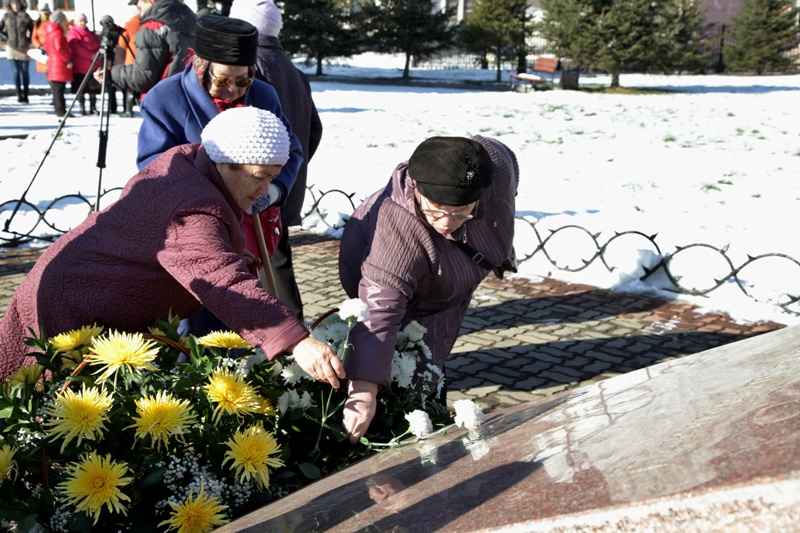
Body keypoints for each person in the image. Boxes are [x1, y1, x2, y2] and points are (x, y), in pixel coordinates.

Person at [0, 106, 345, 389]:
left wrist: (228, 250)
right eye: (259, 176)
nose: (265, 191)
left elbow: (167, 243)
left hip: (71, 282)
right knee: (50, 404)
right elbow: (222, 280)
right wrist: (296, 341)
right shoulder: (193, 208)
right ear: (225, 161)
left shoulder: (188, 159)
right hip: (72, 307)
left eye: (273, 177)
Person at [338, 136, 519, 442]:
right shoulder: (398, 226)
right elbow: (380, 310)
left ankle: (428, 408)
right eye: (436, 210)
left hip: (448, 286)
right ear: (417, 190)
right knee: (408, 370)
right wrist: (363, 391)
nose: (447, 223)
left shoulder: (494, 167)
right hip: (392, 290)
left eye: (460, 211)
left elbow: (495, 154)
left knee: (432, 365)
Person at [137, 14, 303, 336]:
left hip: (252, 227)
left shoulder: (263, 95)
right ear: (202, 66)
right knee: (201, 319)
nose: (234, 91)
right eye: (224, 80)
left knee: (250, 311)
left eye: (243, 81)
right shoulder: (166, 99)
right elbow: (154, 167)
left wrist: (273, 191)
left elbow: (291, 149)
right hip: (197, 232)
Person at [229, 0, 323, 321]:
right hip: (285, 183)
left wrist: (267, 175)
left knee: (264, 262)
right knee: (279, 259)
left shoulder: (250, 66)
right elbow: (314, 130)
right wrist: (291, 171)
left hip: (259, 186)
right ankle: (293, 327)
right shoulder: (293, 69)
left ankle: (283, 331)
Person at [95, 0, 195, 101]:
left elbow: (143, 76)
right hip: (188, 97)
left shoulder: (152, 27)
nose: (141, 14)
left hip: (160, 100)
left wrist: (111, 74)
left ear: (151, 1)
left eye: (140, 8)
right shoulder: (190, 22)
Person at [67, 12, 101, 116]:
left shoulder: (91, 33)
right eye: (80, 21)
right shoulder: (73, 33)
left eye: (84, 21)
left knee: (93, 88)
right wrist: (91, 55)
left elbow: (97, 44)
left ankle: (93, 107)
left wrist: (98, 54)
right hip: (80, 66)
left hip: (93, 65)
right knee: (81, 88)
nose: (83, 23)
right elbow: (77, 48)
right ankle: (82, 107)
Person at [0, 0, 33, 103]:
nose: (16, 6)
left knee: (25, 72)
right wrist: (6, 38)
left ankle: (26, 94)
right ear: (10, 5)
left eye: (18, 4)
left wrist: (28, 40)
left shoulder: (26, 16)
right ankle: (18, 93)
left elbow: (33, 30)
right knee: (16, 71)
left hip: (24, 47)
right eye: (14, 4)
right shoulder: (6, 16)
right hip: (11, 47)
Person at [42, 9, 71, 118]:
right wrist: (68, 59)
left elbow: (46, 46)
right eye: (64, 20)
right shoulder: (57, 33)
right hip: (59, 63)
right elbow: (59, 48)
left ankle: (59, 109)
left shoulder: (49, 32)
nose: (65, 22)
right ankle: (61, 110)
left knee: (56, 89)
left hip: (53, 62)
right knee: (59, 89)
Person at [118, 2, 140, 117]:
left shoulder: (129, 24)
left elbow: (122, 43)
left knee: (130, 85)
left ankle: (128, 110)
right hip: (144, 58)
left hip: (131, 58)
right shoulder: (147, 22)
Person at [29, 2, 47, 75]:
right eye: (43, 11)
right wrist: (39, 46)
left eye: (46, 10)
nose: (44, 13)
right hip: (42, 51)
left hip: (51, 50)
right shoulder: (37, 24)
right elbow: (34, 38)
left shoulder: (52, 22)